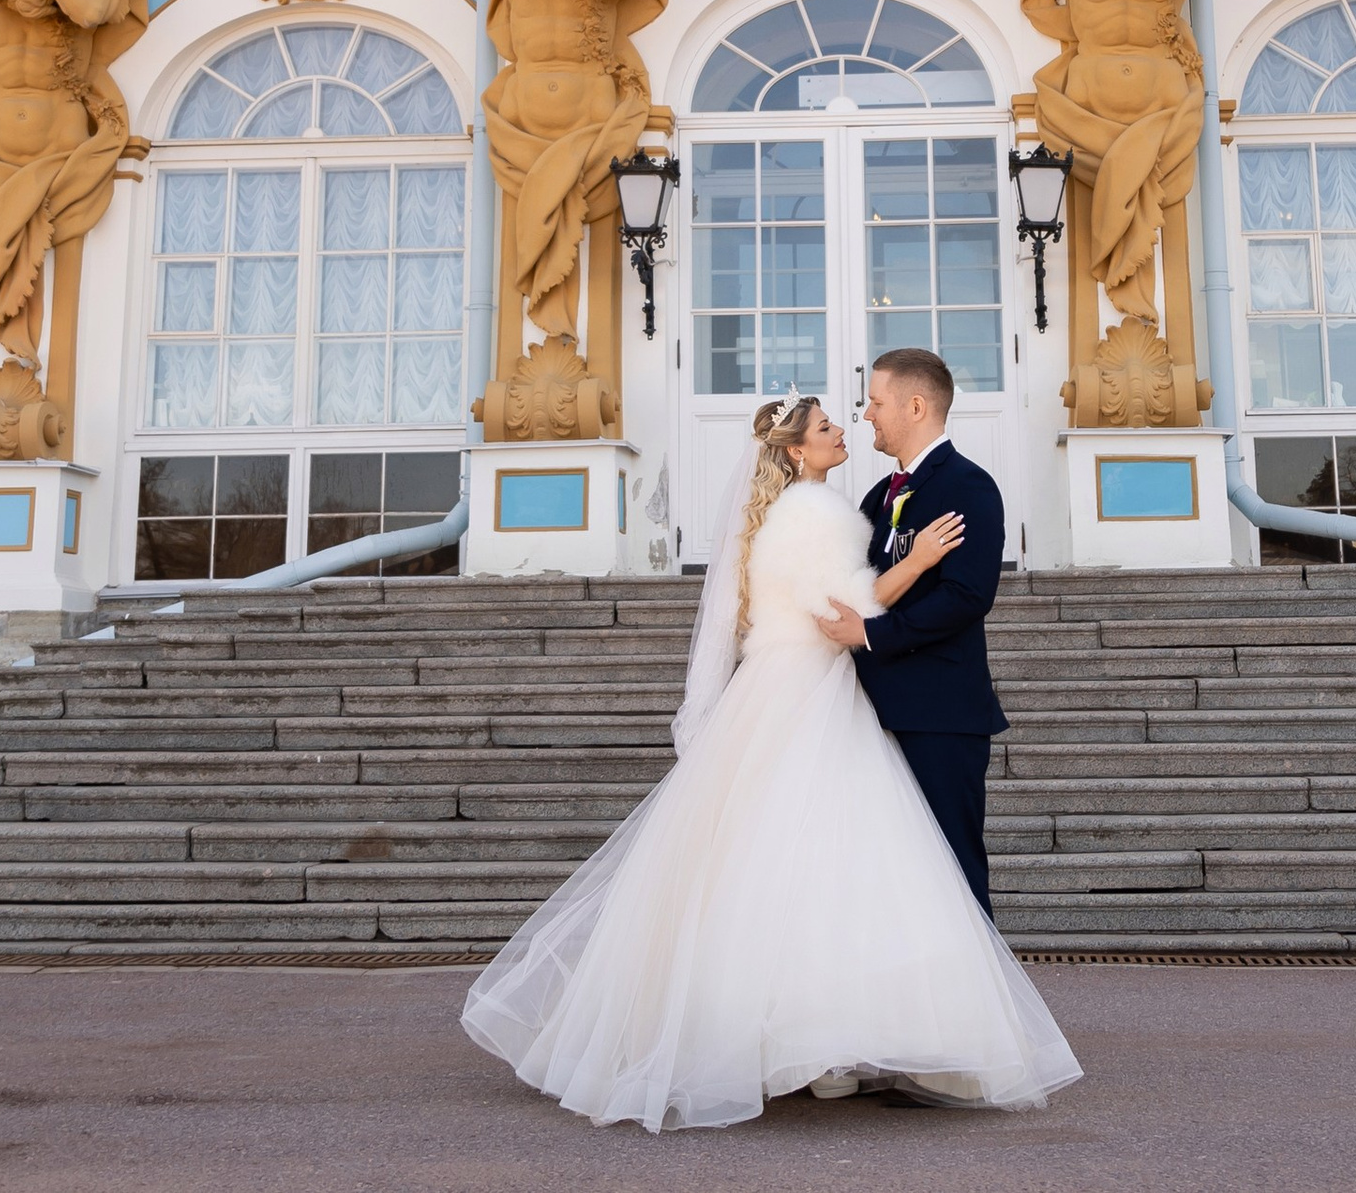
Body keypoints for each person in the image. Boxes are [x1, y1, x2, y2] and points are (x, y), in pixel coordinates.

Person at [460, 388, 1078, 1132]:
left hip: (796, 686)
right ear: (795, 451)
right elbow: (846, 612)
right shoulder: (813, 513)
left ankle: (810, 1045)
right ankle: (822, 1046)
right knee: (818, 861)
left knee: (778, 863)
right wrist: (916, 561)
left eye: (859, 410)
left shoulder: (830, 504)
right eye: (825, 426)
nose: (847, 424)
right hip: (810, 686)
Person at [815, 347, 1010, 914]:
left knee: (951, 868)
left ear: (916, 405)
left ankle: (978, 1001)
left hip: (939, 712)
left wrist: (875, 635)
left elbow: (968, 596)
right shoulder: (880, 497)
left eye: (876, 402)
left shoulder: (969, 487)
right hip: (873, 712)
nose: (867, 413)